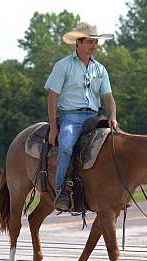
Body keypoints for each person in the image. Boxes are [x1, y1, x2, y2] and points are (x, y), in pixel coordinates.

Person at [44, 22, 118, 211]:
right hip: (70, 117)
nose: (94, 46)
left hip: (95, 118)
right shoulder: (63, 66)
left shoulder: (100, 69)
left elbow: (108, 98)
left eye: (96, 42)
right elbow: (52, 98)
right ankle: (61, 192)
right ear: (78, 42)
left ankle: (115, 194)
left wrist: (113, 117)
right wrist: (53, 128)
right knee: (67, 147)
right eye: (90, 42)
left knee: (116, 148)